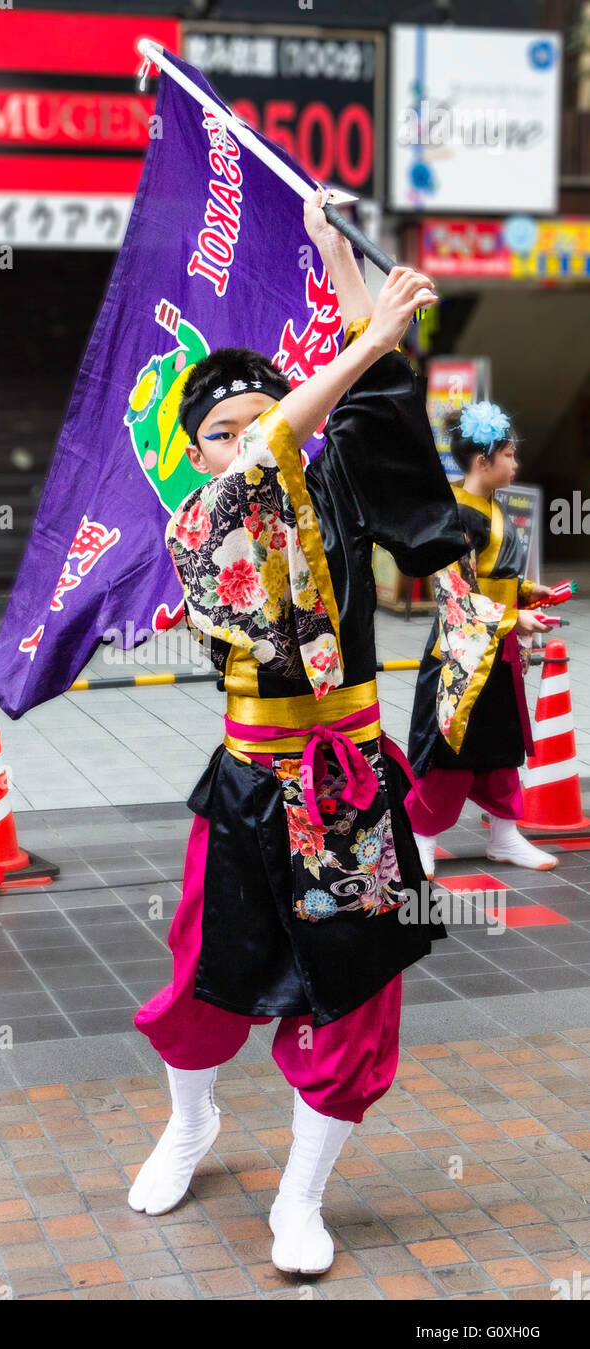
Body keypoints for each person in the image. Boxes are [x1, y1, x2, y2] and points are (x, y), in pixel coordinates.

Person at [129, 190, 470, 1275]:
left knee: (357, 992)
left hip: (350, 787)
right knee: (200, 982)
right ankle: (190, 1124)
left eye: (254, 421)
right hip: (247, 782)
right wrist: (364, 331)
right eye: (215, 434)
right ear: (196, 453)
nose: (239, 442)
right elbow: (281, 436)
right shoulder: (199, 518)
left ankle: (298, 1196)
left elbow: (372, 401)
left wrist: (337, 256)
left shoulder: (327, 485)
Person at [405, 404, 557, 874]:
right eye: (510, 455)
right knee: (450, 751)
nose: (516, 464)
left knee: (501, 746)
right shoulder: (458, 515)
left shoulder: (491, 507)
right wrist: (514, 620)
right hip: (459, 656)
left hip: (497, 649)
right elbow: (454, 594)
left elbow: (495, 576)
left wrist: (530, 593)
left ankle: (506, 836)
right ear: (483, 461)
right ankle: (421, 839)